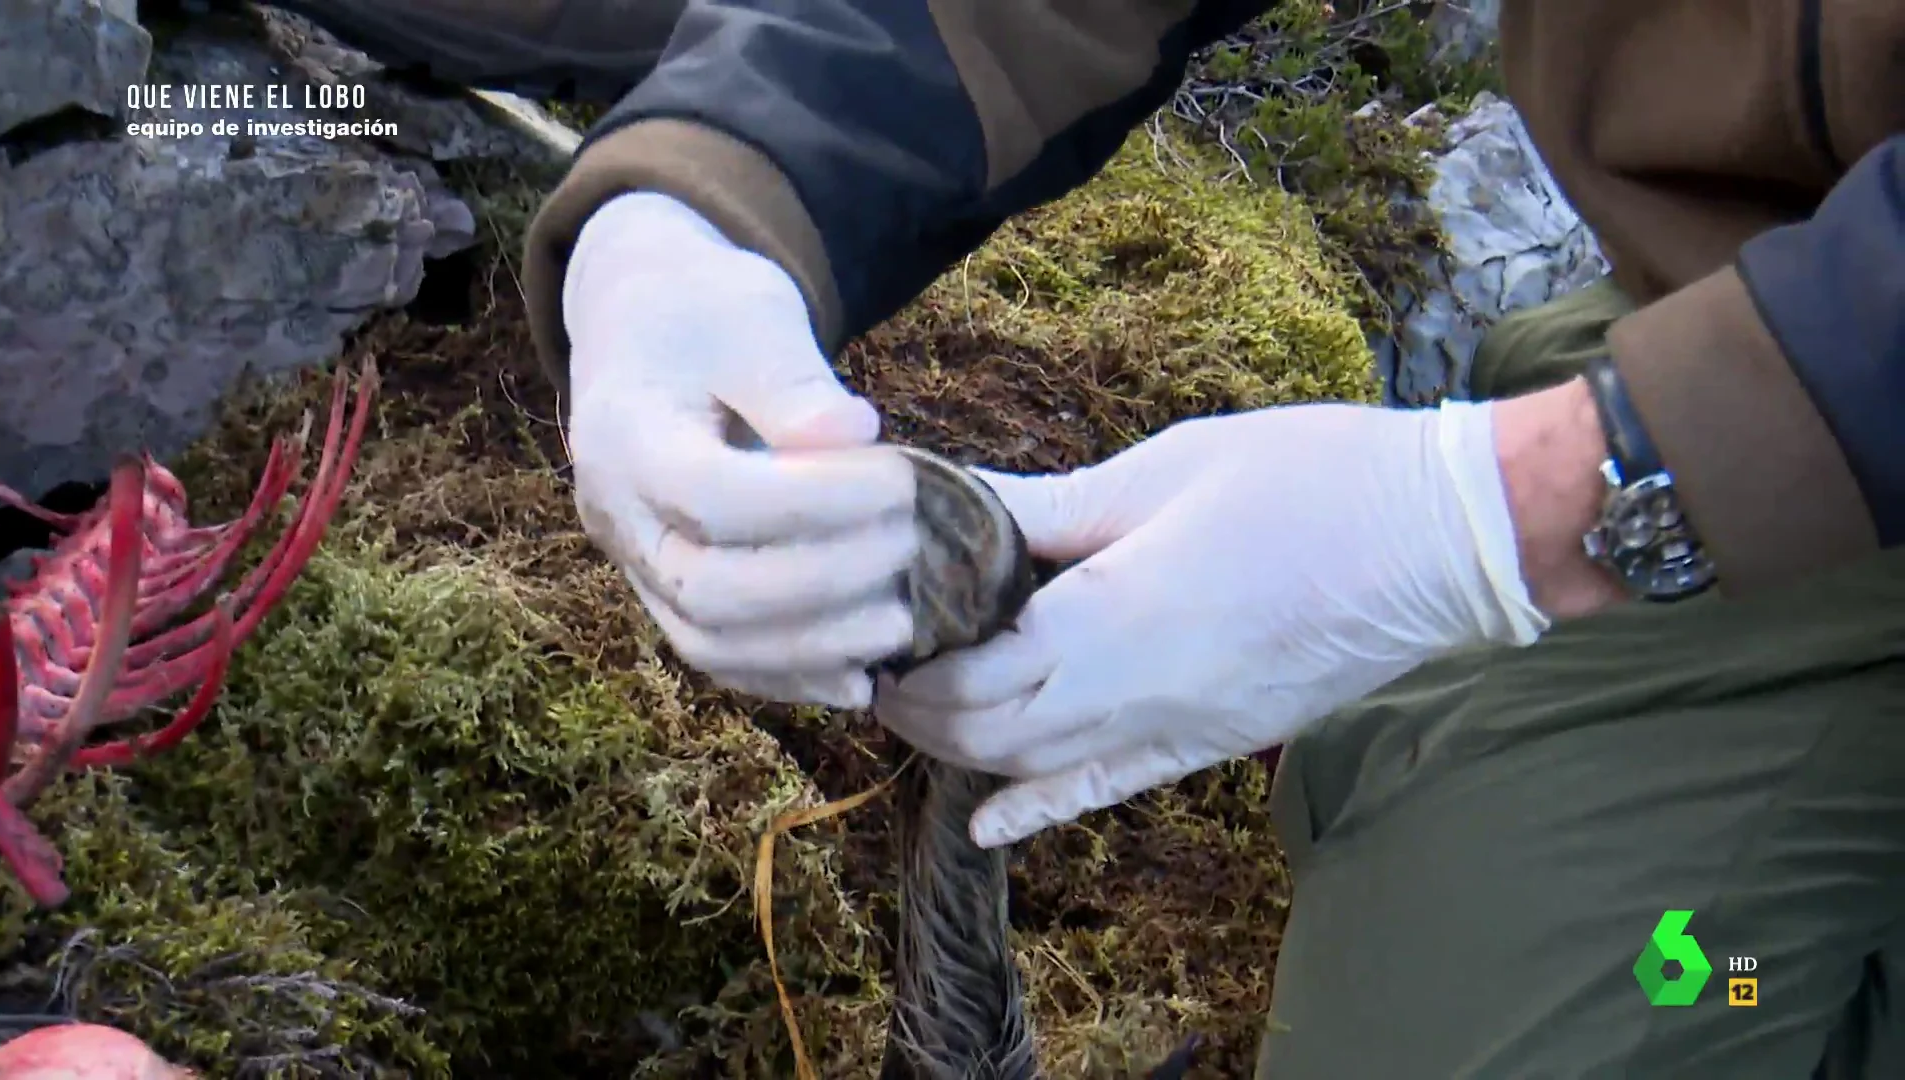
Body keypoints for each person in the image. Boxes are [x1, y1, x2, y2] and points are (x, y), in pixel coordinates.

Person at [277, 1, 1905, 1076]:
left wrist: (1500, 514)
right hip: (1781, 371)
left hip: (1762, 401)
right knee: (1586, 1007)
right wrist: (706, 196)